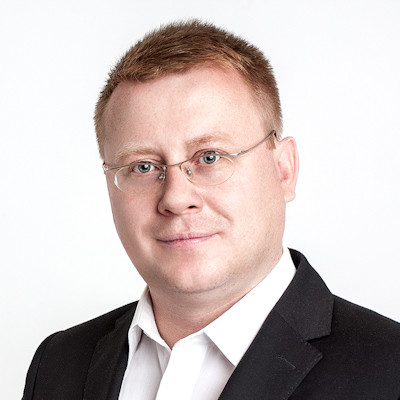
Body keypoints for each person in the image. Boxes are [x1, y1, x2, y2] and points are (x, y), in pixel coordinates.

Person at [22, 20, 400, 400]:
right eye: (143, 166)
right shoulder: (57, 364)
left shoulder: (389, 369)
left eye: (209, 157)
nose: (175, 198)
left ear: (284, 170)